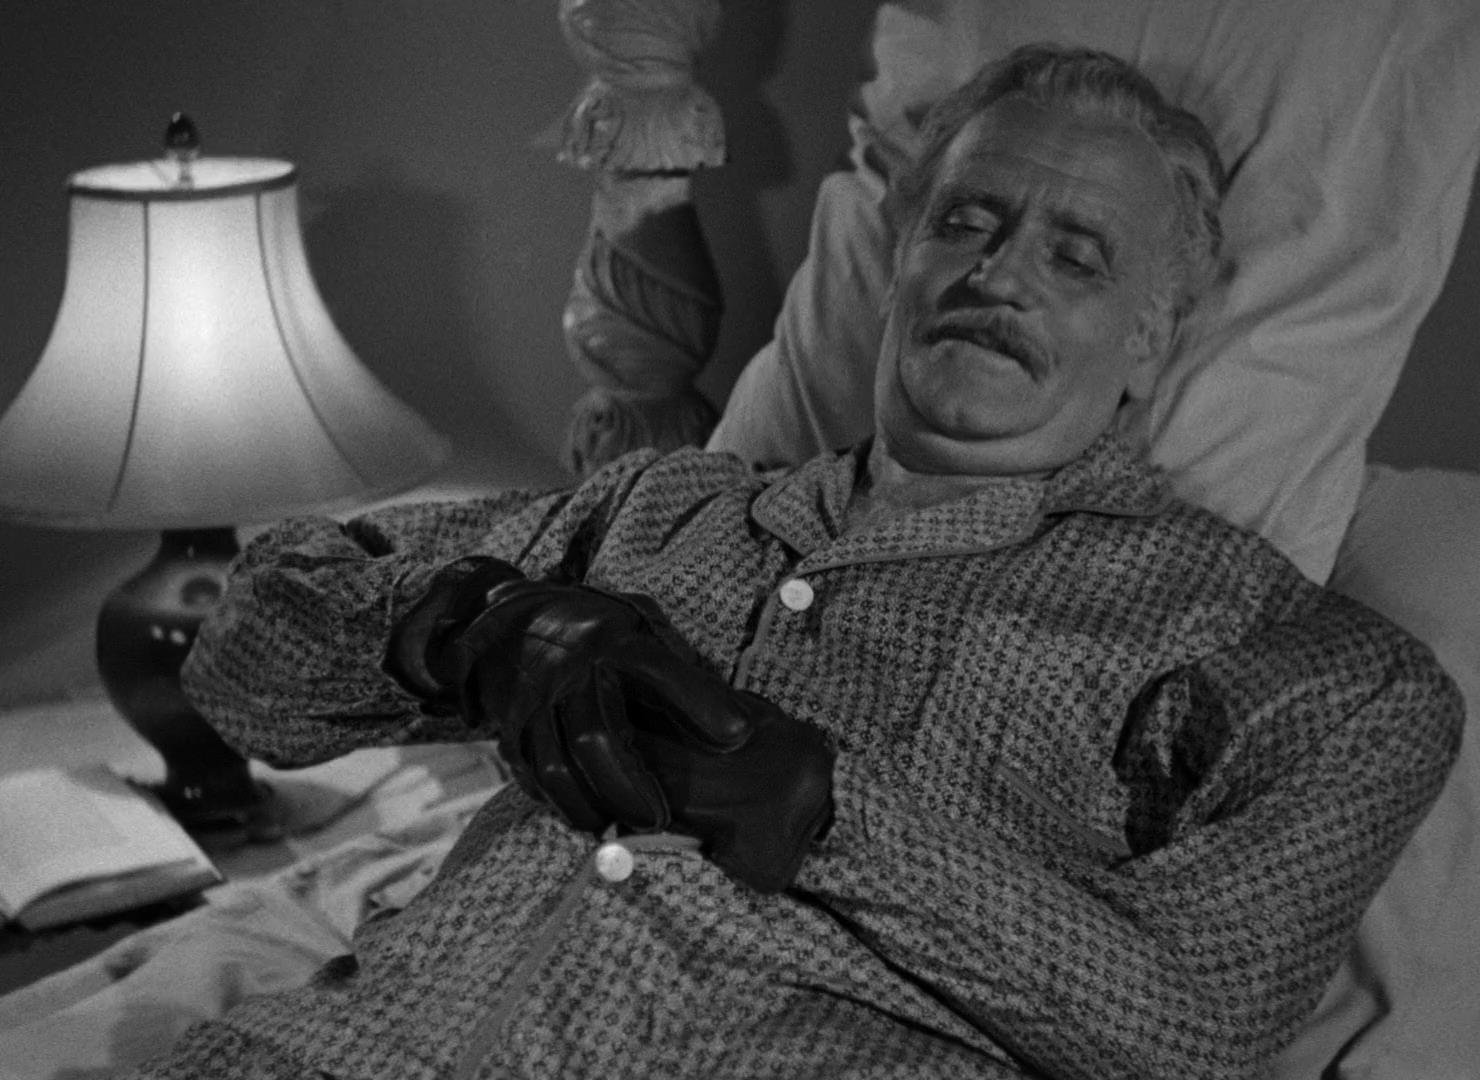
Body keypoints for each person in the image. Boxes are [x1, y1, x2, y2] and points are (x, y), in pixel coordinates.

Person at [128, 44, 1460, 1080]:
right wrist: (470, 626)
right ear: (897, 267)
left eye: (1077, 255)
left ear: (1153, 341)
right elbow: (246, 674)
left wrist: (819, 812)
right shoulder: (659, 510)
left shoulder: (1283, 656)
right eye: (967, 221)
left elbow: (1192, 1032)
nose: (1000, 275)